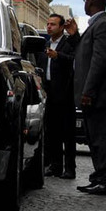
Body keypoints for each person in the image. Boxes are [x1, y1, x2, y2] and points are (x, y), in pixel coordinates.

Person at [65, 0, 106, 195]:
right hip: (94, 95)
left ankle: (104, 179)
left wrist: (88, 91)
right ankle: (98, 177)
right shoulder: (97, 25)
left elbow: (99, 61)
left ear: (92, 1)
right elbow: (85, 53)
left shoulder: (103, 25)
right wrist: (74, 36)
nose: (84, 4)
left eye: (85, 0)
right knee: (94, 139)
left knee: (100, 139)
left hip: (98, 97)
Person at [39, 14, 76, 179]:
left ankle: (69, 168)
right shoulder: (46, 44)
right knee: (51, 131)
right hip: (49, 92)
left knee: (67, 133)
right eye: (47, 24)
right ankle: (55, 166)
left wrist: (58, 56)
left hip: (65, 93)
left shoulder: (68, 43)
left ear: (61, 27)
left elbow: (74, 60)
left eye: (53, 24)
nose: (49, 27)